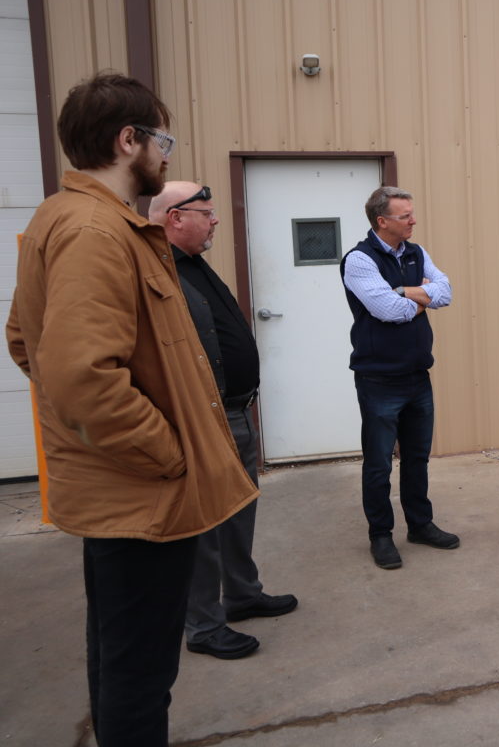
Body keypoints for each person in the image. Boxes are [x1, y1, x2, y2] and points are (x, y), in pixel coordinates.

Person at [6, 72, 256, 745]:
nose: (166, 155)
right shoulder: (95, 231)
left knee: (119, 658)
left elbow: (25, 342)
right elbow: (81, 375)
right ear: (127, 140)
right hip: (143, 496)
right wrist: (167, 453)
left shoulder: (64, 218)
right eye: (160, 140)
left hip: (122, 490)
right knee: (140, 676)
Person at [148, 181, 298, 660]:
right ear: (175, 217)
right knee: (205, 525)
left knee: (239, 512)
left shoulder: (192, 265)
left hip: (236, 411)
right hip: (202, 421)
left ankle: (242, 593)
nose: (215, 220)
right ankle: (205, 626)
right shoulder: (156, 271)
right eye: (206, 213)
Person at [341, 186, 458, 569]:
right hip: (378, 380)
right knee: (378, 463)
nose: (413, 220)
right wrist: (420, 296)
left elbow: (445, 293)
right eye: (405, 216)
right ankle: (381, 535)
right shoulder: (359, 260)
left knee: (417, 459)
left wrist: (408, 291)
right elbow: (388, 310)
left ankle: (420, 525)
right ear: (382, 221)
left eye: (411, 213)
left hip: (416, 375)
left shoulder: (416, 252)